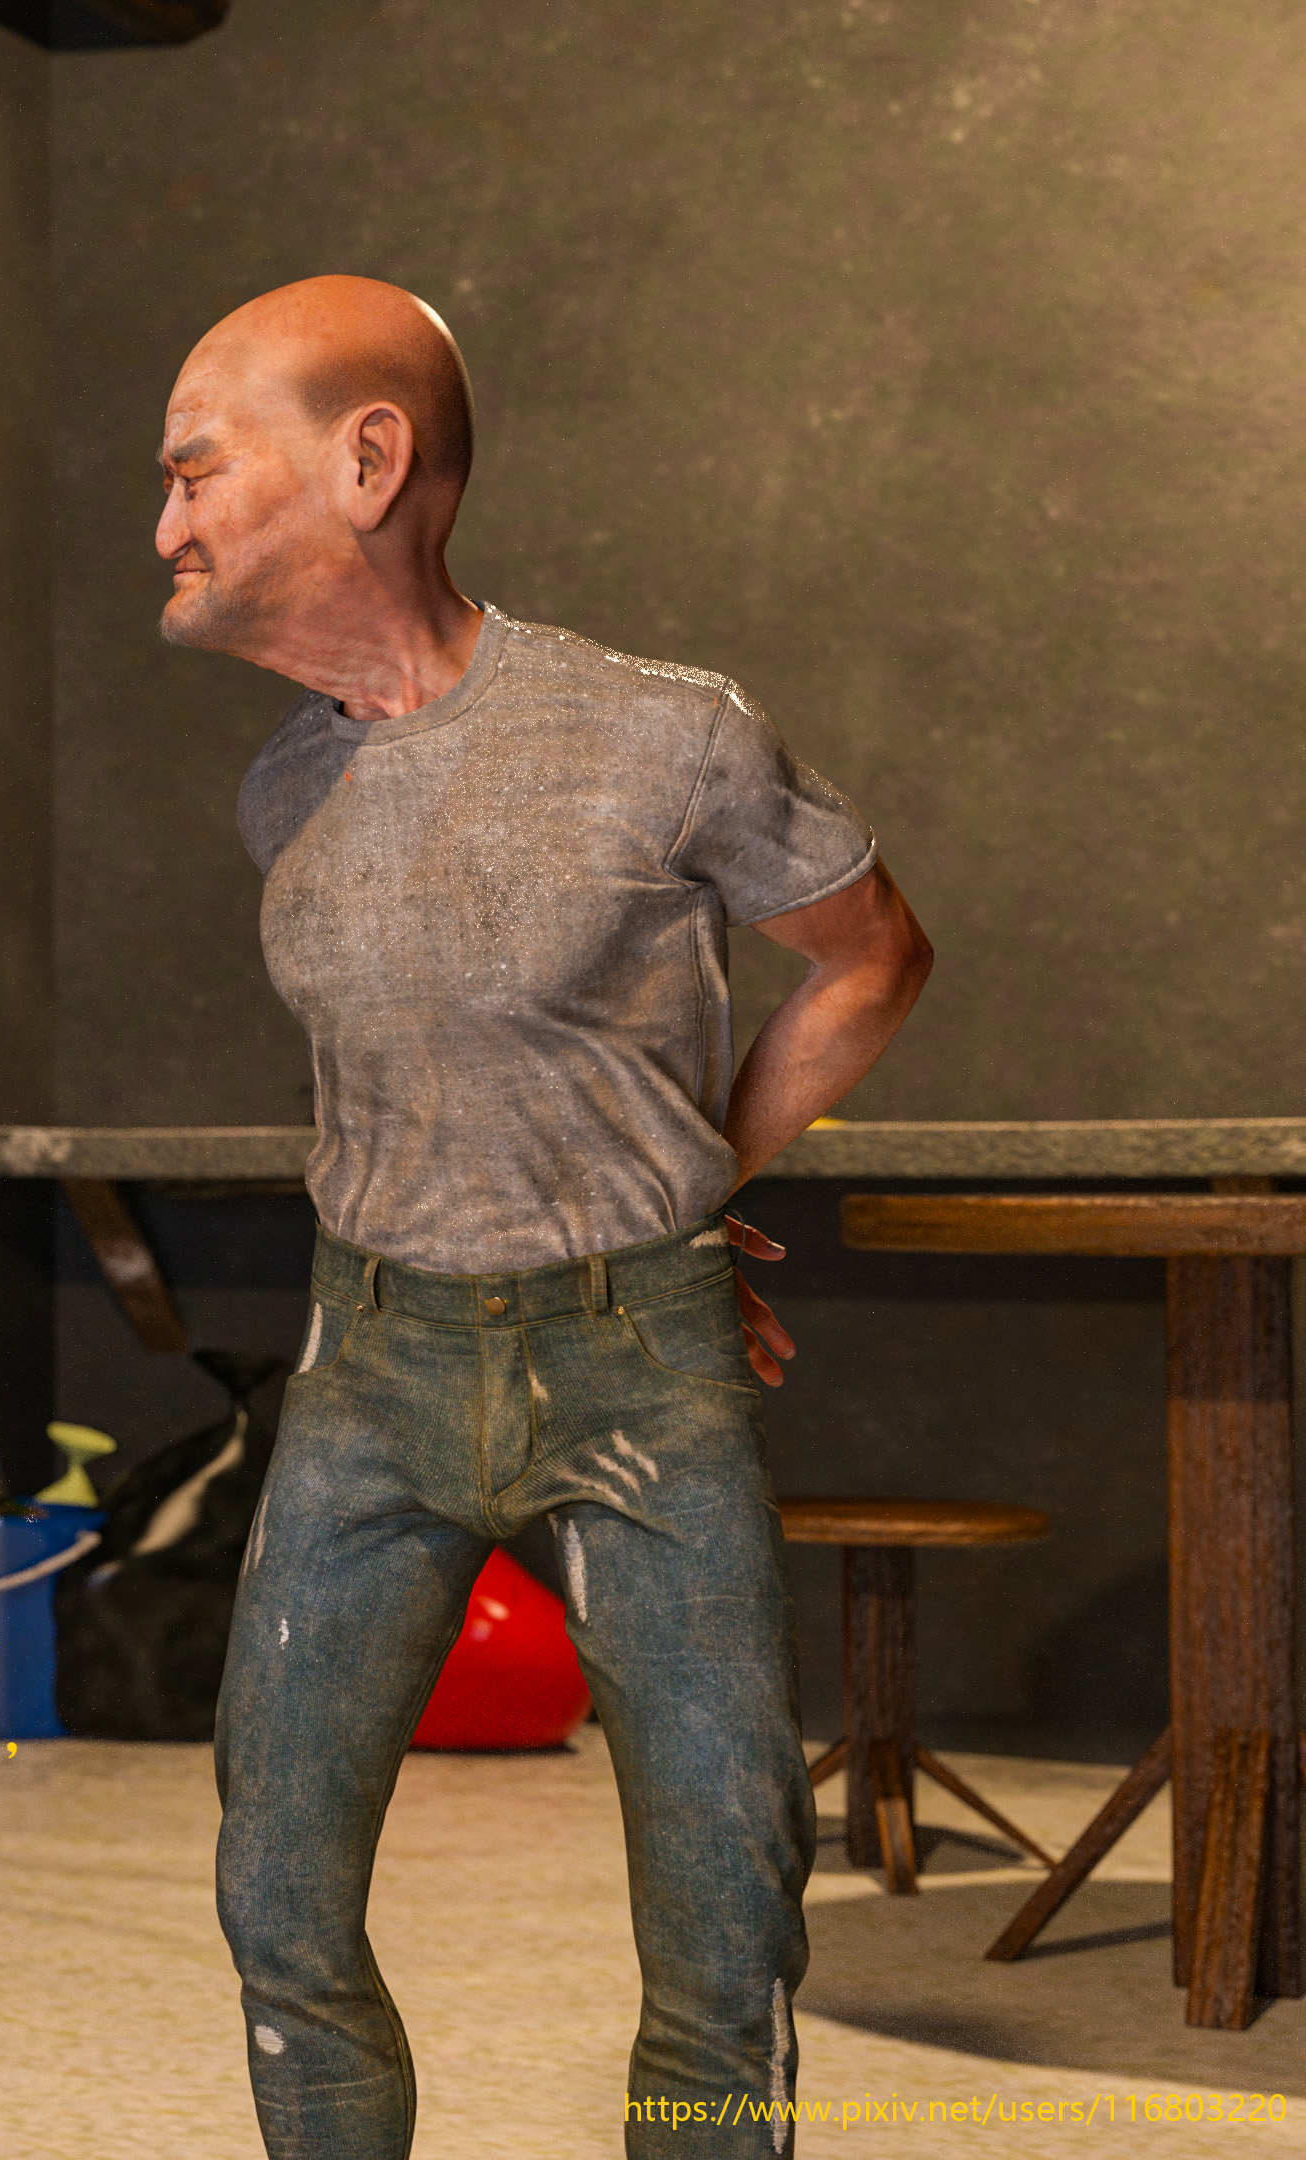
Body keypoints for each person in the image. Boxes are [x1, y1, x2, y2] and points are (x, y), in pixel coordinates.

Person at [156, 277, 934, 2158]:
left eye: (192, 471)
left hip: (638, 1373)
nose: (163, 525)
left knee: (728, 1909)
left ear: (368, 463)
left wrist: (683, 1195)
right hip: (370, 1366)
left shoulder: (667, 735)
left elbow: (872, 958)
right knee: (276, 1891)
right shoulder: (286, 788)